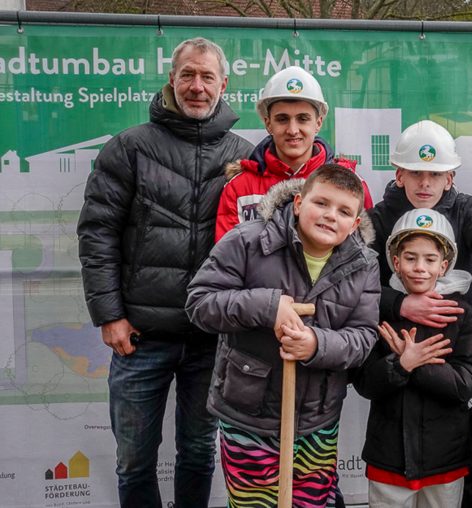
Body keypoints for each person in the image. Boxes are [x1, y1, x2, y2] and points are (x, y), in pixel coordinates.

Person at [76, 38, 252, 508]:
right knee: (134, 459)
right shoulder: (130, 148)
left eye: (207, 77)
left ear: (224, 84)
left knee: (197, 451)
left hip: (211, 338)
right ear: (171, 79)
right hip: (140, 337)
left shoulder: (245, 156)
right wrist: (109, 315)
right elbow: (97, 235)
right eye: (188, 75)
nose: (197, 86)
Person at [186, 164, 380, 507]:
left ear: (354, 223)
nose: (330, 216)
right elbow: (201, 304)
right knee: (252, 502)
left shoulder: (364, 264)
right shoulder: (247, 241)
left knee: (311, 502)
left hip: (315, 420)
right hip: (248, 414)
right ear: (298, 202)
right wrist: (268, 306)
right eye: (321, 203)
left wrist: (316, 344)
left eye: (344, 211)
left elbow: (363, 337)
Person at [367, 120, 472, 506]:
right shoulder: (377, 218)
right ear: (399, 174)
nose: (425, 183)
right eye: (416, 173)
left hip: (452, 344)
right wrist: (399, 304)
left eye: (436, 174)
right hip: (393, 350)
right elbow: (355, 284)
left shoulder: (465, 209)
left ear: (450, 178)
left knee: (456, 467)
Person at [354, 208, 472, 508]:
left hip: (445, 463)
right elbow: (364, 382)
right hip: (387, 461)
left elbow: (466, 384)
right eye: (411, 258)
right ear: (396, 263)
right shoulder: (378, 313)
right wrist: (400, 364)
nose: (419, 268)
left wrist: (416, 365)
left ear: (444, 265)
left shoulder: (464, 317)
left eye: (429, 260)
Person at [215, 65, 372, 242]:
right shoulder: (240, 187)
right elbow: (227, 260)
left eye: (303, 119)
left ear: (318, 123)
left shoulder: (351, 183)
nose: (292, 130)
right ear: (268, 124)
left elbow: (361, 257)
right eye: (282, 119)